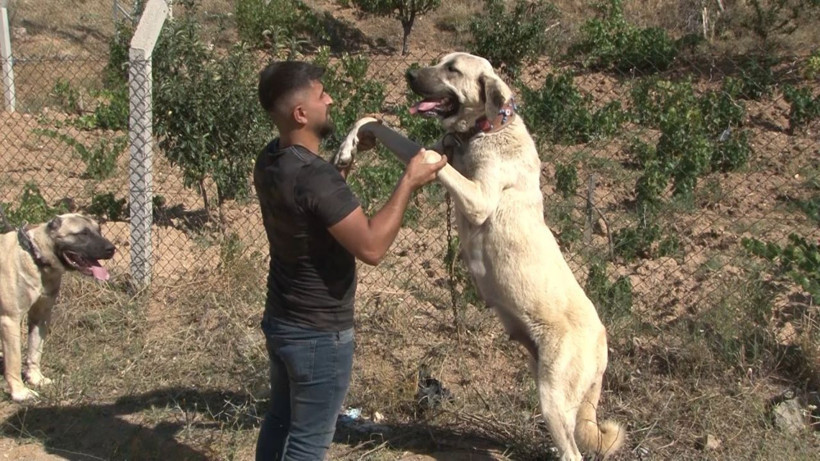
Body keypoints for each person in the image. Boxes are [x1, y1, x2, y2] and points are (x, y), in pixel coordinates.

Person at [253, 61, 447, 461]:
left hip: (283, 319)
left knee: (279, 421)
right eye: (321, 94)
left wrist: (343, 166)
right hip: (319, 335)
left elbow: (315, 206)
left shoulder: (271, 159)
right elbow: (372, 247)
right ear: (301, 114)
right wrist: (409, 180)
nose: (330, 99)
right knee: (308, 443)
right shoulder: (315, 178)